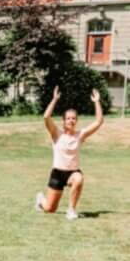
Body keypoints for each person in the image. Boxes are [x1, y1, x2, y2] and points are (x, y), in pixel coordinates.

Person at [35, 86, 104, 221]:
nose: (71, 121)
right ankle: (40, 200)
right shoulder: (56, 133)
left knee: (79, 178)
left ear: (76, 120)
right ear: (64, 120)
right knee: (50, 209)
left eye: (73, 118)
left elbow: (98, 121)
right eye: (68, 118)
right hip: (57, 174)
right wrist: (54, 99)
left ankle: (71, 210)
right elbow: (46, 116)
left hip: (72, 172)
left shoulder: (81, 135)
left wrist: (96, 101)